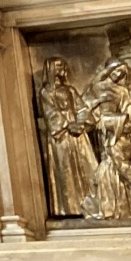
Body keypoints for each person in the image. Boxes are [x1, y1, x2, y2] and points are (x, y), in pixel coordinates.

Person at [85, 60, 131, 219]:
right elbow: (89, 109)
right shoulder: (98, 87)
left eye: (123, 72)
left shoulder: (123, 91)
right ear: (109, 70)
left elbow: (128, 111)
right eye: (117, 70)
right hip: (108, 126)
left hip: (119, 126)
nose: (120, 75)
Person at [36, 59, 98, 218]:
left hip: (78, 134)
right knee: (66, 170)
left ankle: (93, 204)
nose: (62, 68)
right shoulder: (46, 92)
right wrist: (67, 125)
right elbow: (51, 113)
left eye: (63, 65)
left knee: (88, 166)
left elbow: (82, 107)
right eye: (58, 66)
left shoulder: (70, 90)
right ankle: (70, 208)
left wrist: (80, 122)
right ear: (50, 69)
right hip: (62, 137)